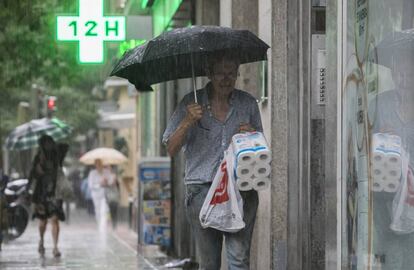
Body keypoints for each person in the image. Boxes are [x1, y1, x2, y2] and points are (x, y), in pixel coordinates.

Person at [162, 51, 263, 270]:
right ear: (209, 74)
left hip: (240, 190)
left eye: (231, 73)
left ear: (237, 74)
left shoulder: (248, 104)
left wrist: (253, 135)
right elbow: (170, 148)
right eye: (219, 73)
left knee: (239, 259)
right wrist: (188, 121)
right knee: (210, 263)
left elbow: (261, 148)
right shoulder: (190, 103)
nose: (225, 79)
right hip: (202, 191)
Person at [369, 49, 414, 269]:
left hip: (412, 193)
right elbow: (362, 142)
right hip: (385, 189)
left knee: (409, 246)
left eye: (410, 75)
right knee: (386, 246)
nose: (404, 81)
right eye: (400, 75)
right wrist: (380, 137)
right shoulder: (380, 103)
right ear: (394, 75)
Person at [29, 135, 65, 258]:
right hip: (41, 194)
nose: (48, 146)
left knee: (55, 219)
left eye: (50, 143)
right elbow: (32, 175)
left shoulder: (57, 156)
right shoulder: (37, 159)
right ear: (42, 145)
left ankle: (55, 247)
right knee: (43, 221)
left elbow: (65, 147)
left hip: (55, 192)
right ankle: (42, 241)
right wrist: (38, 169)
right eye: (46, 144)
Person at [87, 159, 114, 231]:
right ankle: (100, 225)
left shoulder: (107, 172)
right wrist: (100, 184)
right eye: (97, 164)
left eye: (100, 163)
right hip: (96, 195)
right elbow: (90, 186)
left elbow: (111, 182)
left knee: (106, 210)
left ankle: (104, 225)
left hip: (106, 194)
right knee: (98, 210)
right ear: (95, 165)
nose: (98, 165)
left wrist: (108, 180)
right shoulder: (92, 173)